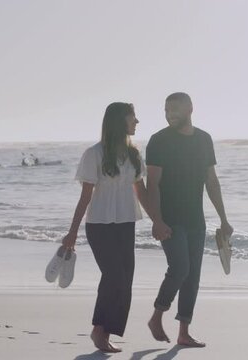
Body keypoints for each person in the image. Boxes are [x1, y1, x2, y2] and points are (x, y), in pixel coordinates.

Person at [61, 102, 152, 353]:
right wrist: (72, 232)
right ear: (119, 121)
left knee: (124, 280)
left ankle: (103, 331)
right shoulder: (94, 154)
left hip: (126, 224)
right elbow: (85, 197)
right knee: (115, 277)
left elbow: (141, 192)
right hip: (99, 226)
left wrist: (159, 221)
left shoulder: (134, 155)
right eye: (133, 117)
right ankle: (99, 331)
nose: (137, 122)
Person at [146, 92, 233, 347]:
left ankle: (184, 331)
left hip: (196, 219)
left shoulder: (204, 139)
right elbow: (153, 184)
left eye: (174, 109)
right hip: (170, 219)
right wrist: (157, 220)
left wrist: (224, 219)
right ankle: (157, 316)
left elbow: (211, 181)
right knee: (180, 269)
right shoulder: (159, 141)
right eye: (166, 110)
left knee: (192, 275)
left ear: (190, 109)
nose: (170, 114)